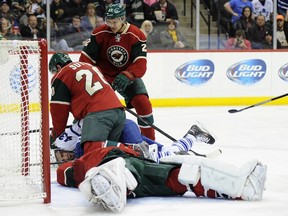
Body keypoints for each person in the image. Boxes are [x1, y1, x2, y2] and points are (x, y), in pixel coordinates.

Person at [56, 144, 267, 213]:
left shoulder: (90, 154)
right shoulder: (92, 154)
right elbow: (63, 173)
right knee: (183, 173)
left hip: (138, 177)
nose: (63, 157)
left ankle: (240, 189)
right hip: (123, 162)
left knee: (181, 179)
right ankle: (111, 180)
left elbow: (63, 173)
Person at [79, 3, 156, 140]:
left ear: (122, 18)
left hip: (128, 74)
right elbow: (85, 60)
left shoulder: (137, 35)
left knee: (142, 102)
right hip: (103, 76)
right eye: (109, 21)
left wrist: (128, 75)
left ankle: (149, 142)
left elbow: (140, 64)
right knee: (90, 105)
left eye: (114, 22)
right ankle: (80, 134)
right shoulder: (99, 33)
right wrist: (91, 79)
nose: (111, 25)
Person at [48, 52, 126, 155]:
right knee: (107, 156)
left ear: (58, 67)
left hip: (99, 115)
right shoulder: (89, 66)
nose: (54, 75)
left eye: (54, 71)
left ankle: (133, 148)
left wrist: (56, 134)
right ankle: (131, 149)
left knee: (92, 151)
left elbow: (58, 110)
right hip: (119, 112)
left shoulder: (61, 75)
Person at [50, 118, 216, 163]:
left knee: (149, 157)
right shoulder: (79, 150)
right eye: (62, 160)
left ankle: (189, 142)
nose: (66, 158)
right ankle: (192, 136)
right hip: (123, 133)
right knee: (161, 153)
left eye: (62, 155)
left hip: (124, 127)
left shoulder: (78, 145)